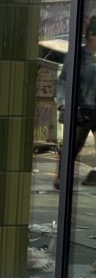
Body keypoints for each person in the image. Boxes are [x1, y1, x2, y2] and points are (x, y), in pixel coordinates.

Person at [55, 15, 96, 189]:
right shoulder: (78, 56)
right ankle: (62, 178)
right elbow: (64, 80)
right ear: (91, 35)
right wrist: (64, 103)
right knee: (73, 147)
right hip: (81, 109)